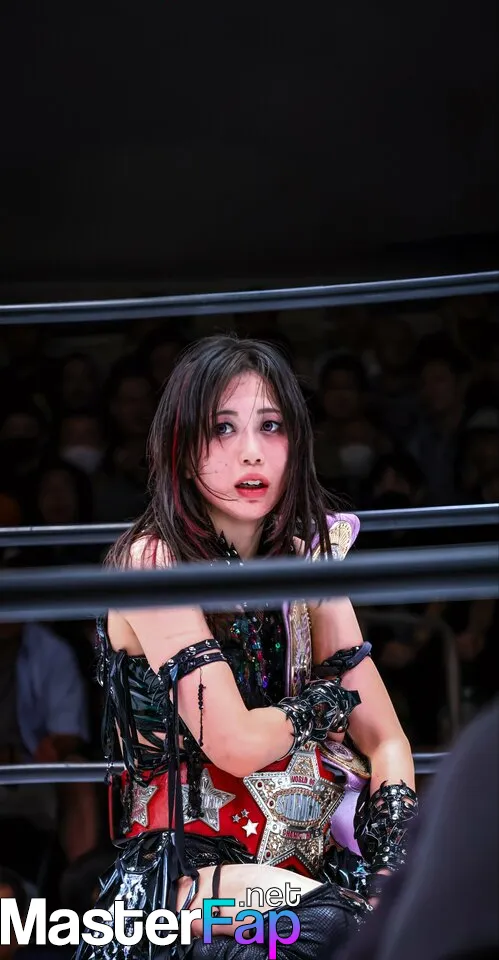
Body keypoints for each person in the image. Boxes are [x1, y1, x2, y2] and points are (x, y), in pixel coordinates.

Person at [76, 336, 417, 960]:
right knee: (330, 925)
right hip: (184, 882)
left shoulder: (307, 564)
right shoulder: (152, 561)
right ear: (182, 450)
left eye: (271, 426)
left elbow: (387, 741)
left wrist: (389, 874)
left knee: (393, 921)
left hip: (307, 869)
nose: (252, 451)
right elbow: (232, 743)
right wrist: (321, 706)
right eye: (223, 428)